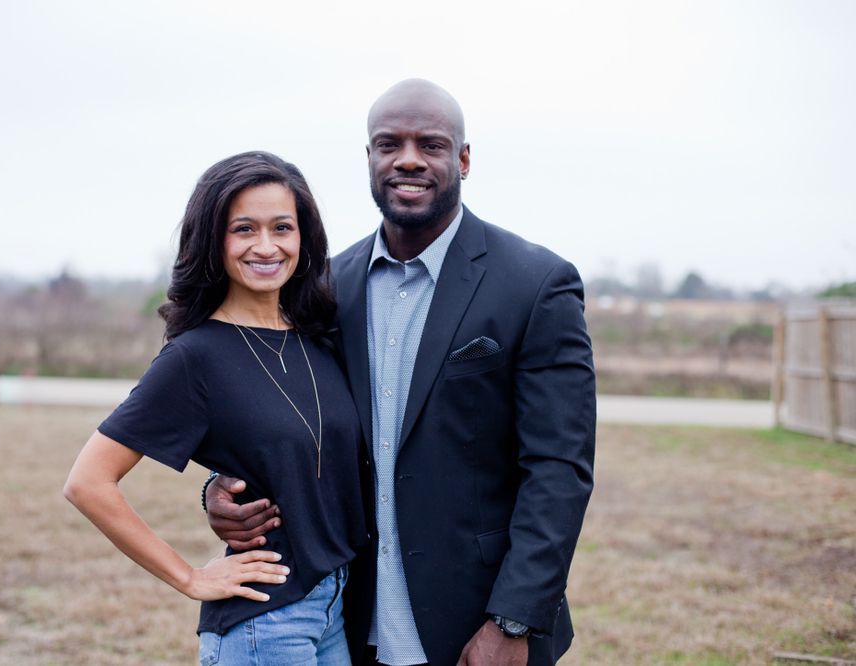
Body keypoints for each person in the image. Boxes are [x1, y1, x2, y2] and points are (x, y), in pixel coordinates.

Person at [205, 80, 596, 666]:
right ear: (369, 159)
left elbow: (558, 470)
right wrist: (218, 491)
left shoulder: (535, 284)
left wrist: (512, 620)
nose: (408, 159)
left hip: (476, 624)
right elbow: (280, 417)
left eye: (431, 144)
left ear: (463, 159)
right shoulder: (323, 288)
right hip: (344, 617)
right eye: (389, 143)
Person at [64, 151, 366, 665]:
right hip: (266, 624)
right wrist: (189, 576)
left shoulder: (319, 336)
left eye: (282, 228)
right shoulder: (194, 356)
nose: (266, 246)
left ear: (303, 237)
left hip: (336, 609)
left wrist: (215, 489)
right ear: (214, 240)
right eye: (244, 228)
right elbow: (88, 483)